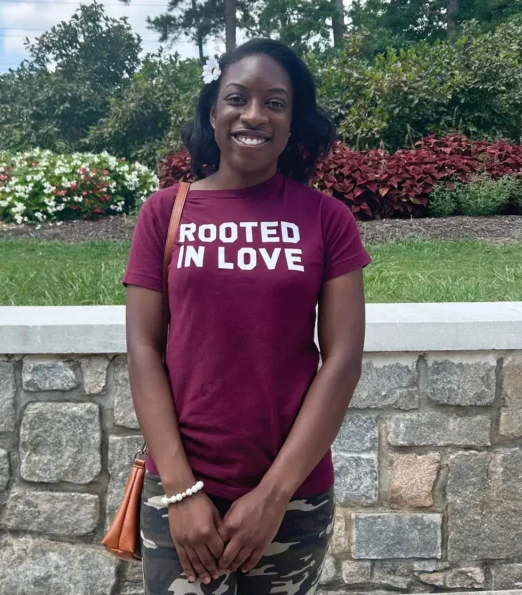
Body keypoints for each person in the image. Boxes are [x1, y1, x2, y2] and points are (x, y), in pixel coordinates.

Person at [123, 38, 371, 595]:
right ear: (213, 112)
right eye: (238, 98)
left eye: (275, 103)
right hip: (182, 492)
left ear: (292, 121)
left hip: (292, 497)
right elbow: (143, 350)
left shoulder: (327, 220)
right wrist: (182, 493)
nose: (254, 115)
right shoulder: (164, 213)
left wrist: (273, 495)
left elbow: (343, 360)